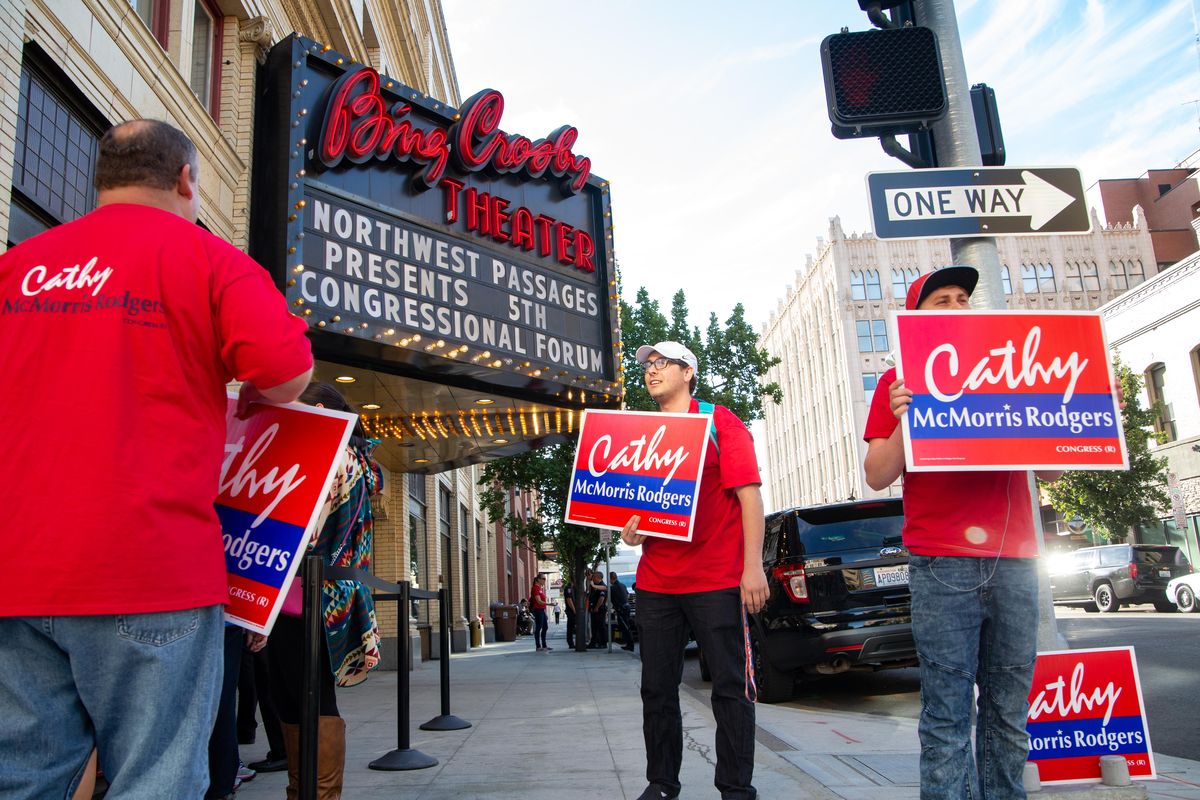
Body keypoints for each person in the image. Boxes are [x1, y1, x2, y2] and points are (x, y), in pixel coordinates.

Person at [0, 119, 313, 799]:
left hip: (15, 572)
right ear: (185, 180)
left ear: (101, 180)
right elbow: (289, 372)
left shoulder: (18, 265)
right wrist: (250, 382)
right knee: (156, 780)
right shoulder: (209, 260)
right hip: (151, 568)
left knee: (24, 781)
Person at [862, 266, 1062, 800]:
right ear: (915, 317)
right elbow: (877, 472)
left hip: (1017, 560)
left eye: (961, 298)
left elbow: (1056, 470)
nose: (955, 306)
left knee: (1008, 708)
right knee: (947, 710)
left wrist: (1052, 412)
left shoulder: (1010, 370)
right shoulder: (895, 382)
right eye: (940, 300)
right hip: (941, 561)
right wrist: (906, 418)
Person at [620, 341, 769, 800]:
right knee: (657, 690)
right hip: (657, 584)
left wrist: (753, 568)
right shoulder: (643, 434)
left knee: (730, 688)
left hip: (718, 580)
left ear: (688, 372)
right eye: (647, 364)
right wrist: (631, 532)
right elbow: (638, 512)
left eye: (662, 363)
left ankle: (736, 789)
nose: (651, 370)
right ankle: (662, 784)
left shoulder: (720, 423)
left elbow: (750, 498)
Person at [253, 382, 383, 800]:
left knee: (299, 700)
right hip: (328, 597)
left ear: (322, 410)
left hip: (302, 597)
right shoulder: (360, 459)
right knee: (301, 699)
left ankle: (311, 794)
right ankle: (308, 792)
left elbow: (299, 528)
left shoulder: (329, 454)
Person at [609, 572, 636, 651]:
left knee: (625, 627)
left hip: (622, 609)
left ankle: (630, 645)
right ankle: (629, 644)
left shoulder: (613, 587)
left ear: (611, 578)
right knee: (626, 626)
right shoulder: (623, 585)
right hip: (626, 608)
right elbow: (627, 595)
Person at [587, 570, 609, 649]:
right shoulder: (595, 585)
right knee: (594, 627)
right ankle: (594, 643)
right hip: (594, 609)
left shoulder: (601, 586)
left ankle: (603, 643)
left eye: (594, 577)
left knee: (601, 626)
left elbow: (602, 598)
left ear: (597, 577)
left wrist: (597, 607)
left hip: (599, 610)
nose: (593, 578)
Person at [530, 575, 551, 651]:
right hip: (538, 610)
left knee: (545, 627)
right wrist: (549, 604)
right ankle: (538, 646)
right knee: (539, 628)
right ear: (538, 580)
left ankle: (544, 645)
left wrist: (545, 611)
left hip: (542, 610)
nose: (544, 580)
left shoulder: (540, 589)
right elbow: (538, 601)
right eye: (543, 579)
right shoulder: (535, 588)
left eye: (545, 579)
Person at [563, 581, 577, 649]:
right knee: (571, 627)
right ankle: (570, 643)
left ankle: (571, 643)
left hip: (572, 611)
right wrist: (574, 610)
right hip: (571, 611)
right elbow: (569, 599)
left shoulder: (573, 588)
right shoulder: (569, 588)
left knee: (572, 627)